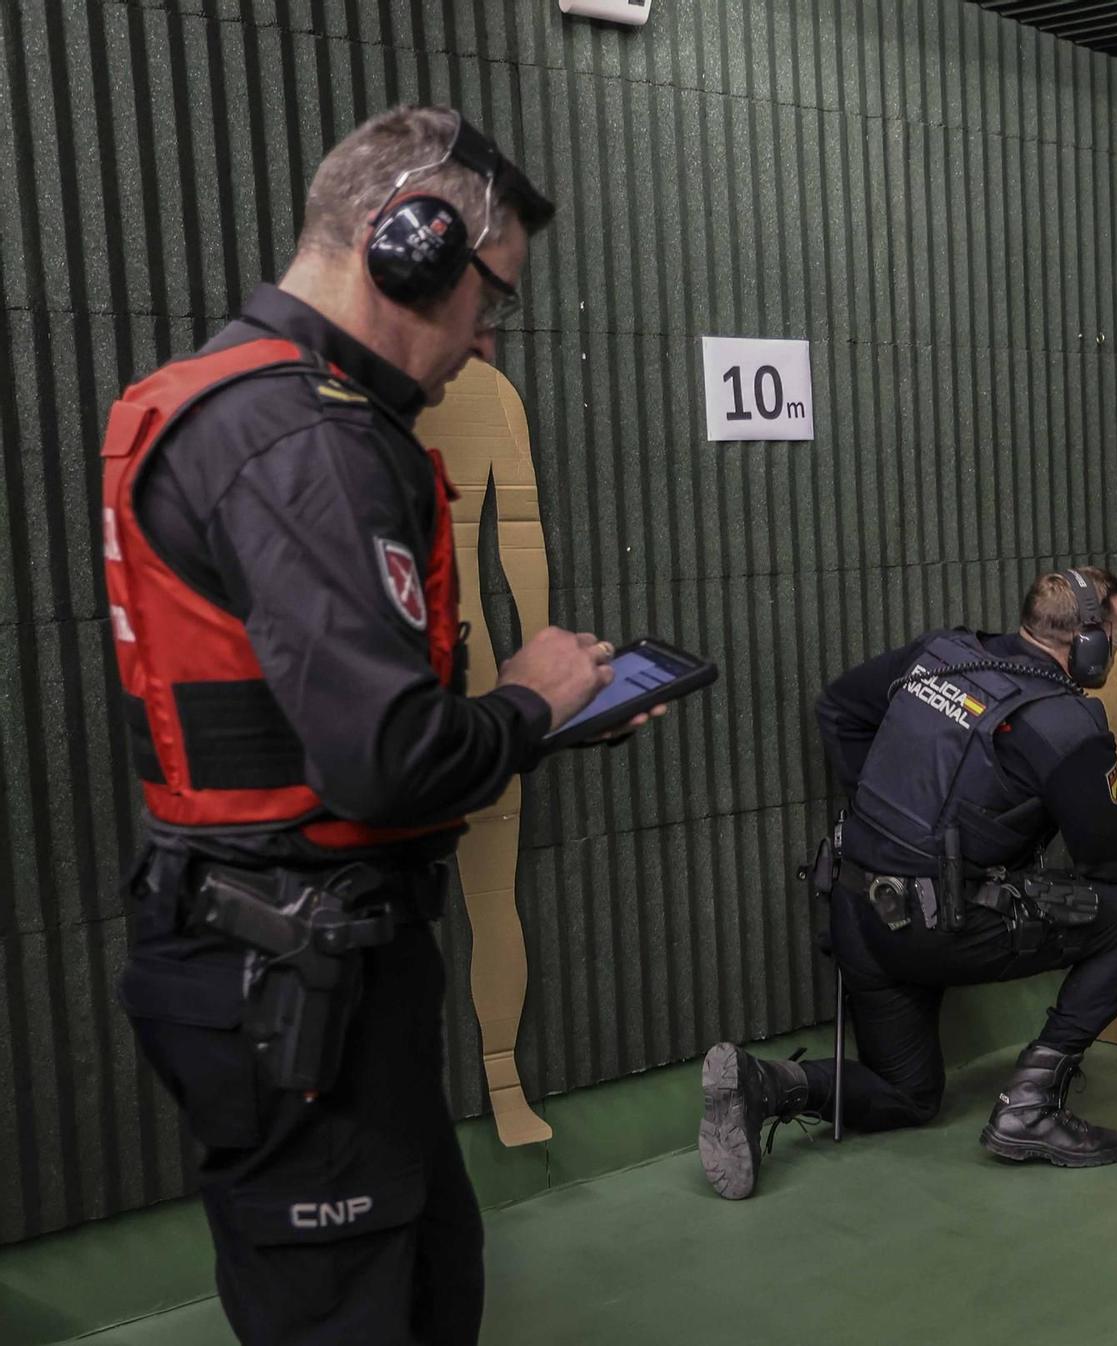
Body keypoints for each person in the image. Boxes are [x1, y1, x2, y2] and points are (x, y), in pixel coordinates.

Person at [100, 106, 662, 1344]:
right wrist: (532, 700)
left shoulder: (219, 400)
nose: (485, 335)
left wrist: (529, 718)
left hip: (294, 959)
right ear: (403, 246)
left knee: (422, 1273)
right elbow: (389, 758)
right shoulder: (308, 442)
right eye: (486, 294)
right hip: (300, 979)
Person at [698, 567, 1117, 1199]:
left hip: (857, 912)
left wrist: (893, 815)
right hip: (938, 928)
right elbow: (1110, 862)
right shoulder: (1065, 726)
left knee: (910, 1094)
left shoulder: (940, 654)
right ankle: (1031, 1104)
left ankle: (768, 1084)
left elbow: (839, 707)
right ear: (1085, 643)